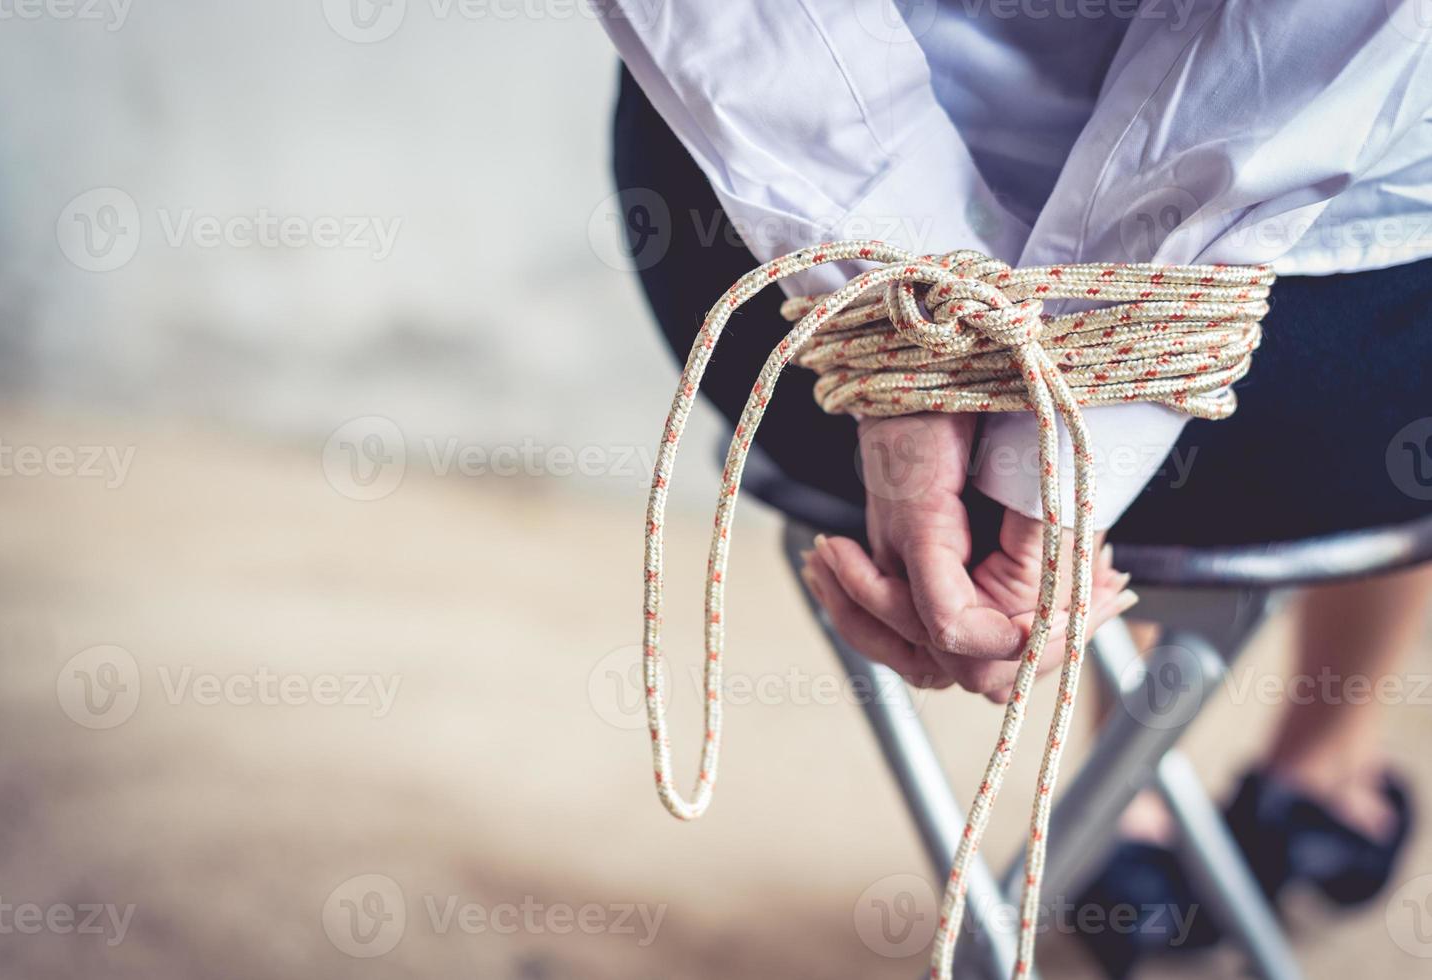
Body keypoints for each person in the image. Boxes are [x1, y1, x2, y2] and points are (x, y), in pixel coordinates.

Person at [598, 2, 1432, 972]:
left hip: (773, 306)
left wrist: (898, 344)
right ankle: (1319, 763)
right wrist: (1046, 470)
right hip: (1315, 350)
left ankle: (1133, 811)